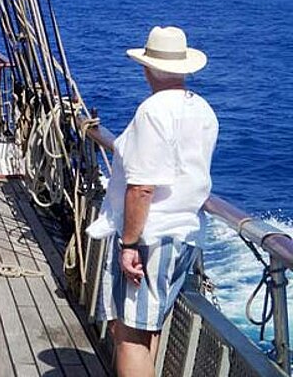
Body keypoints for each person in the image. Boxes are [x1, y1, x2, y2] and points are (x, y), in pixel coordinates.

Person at [86, 26, 218, 377]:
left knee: (128, 335)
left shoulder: (153, 111)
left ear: (146, 69)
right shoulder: (203, 110)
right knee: (148, 328)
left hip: (149, 237)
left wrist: (129, 244)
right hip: (184, 234)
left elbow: (142, 187)